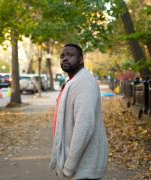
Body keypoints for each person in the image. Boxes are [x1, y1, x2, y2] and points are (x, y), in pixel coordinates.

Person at [49, 43, 109, 179]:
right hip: (78, 165)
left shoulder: (85, 83)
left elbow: (84, 126)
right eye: (62, 56)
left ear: (81, 59)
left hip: (83, 167)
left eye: (70, 55)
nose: (65, 59)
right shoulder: (73, 81)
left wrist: (70, 166)